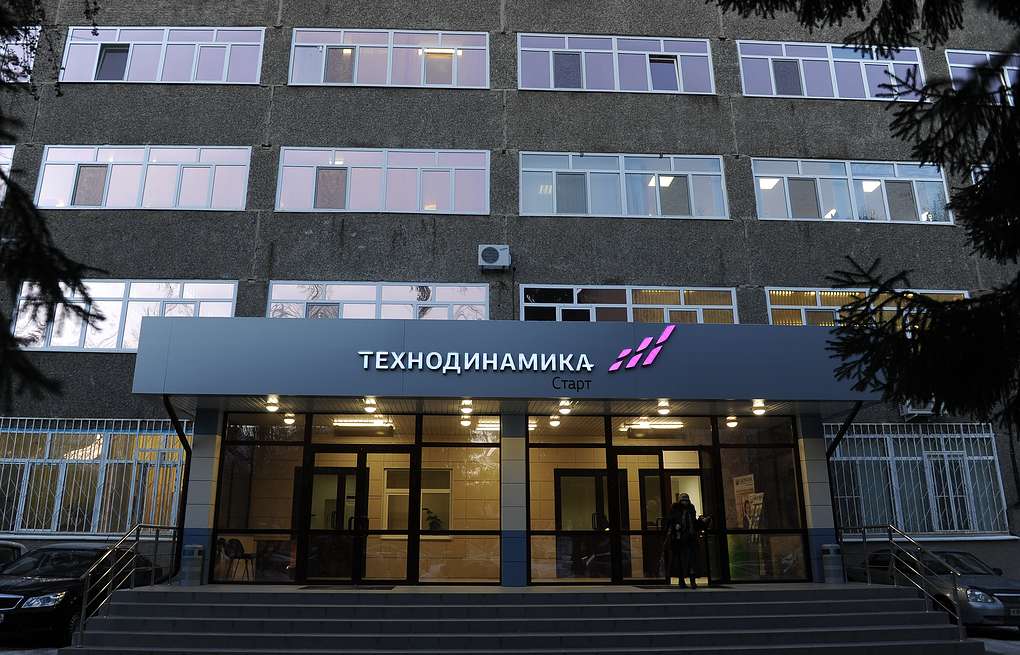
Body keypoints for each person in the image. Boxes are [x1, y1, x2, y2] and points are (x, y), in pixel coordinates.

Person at [664, 493, 699, 588]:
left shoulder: (691, 509)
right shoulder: (675, 509)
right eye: (683, 500)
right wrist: (675, 527)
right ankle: (681, 581)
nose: (685, 502)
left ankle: (692, 581)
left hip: (690, 538)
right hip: (679, 539)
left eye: (686, 500)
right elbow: (670, 521)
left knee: (691, 561)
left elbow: (693, 522)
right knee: (680, 561)